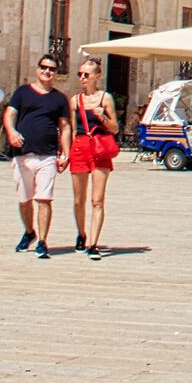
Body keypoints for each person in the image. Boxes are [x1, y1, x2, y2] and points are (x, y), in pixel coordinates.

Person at [4, 55, 71, 260]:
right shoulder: (22, 92)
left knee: (44, 198)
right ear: (37, 69)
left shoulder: (59, 99)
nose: (47, 71)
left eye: (51, 69)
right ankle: (29, 232)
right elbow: (9, 114)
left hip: (47, 155)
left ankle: (42, 241)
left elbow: (65, 127)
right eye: (44, 67)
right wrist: (11, 132)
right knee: (24, 200)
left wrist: (66, 153)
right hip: (22, 154)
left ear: (55, 73)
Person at [66, 60, 119, 260]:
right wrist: (66, 153)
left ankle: (93, 244)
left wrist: (102, 117)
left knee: (97, 200)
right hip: (80, 147)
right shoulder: (75, 101)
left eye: (86, 74)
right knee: (79, 200)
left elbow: (115, 128)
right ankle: (81, 234)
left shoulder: (106, 98)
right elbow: (72, 129)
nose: (82, 78)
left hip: (99, 147)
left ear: (97, 76)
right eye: (80, 74)